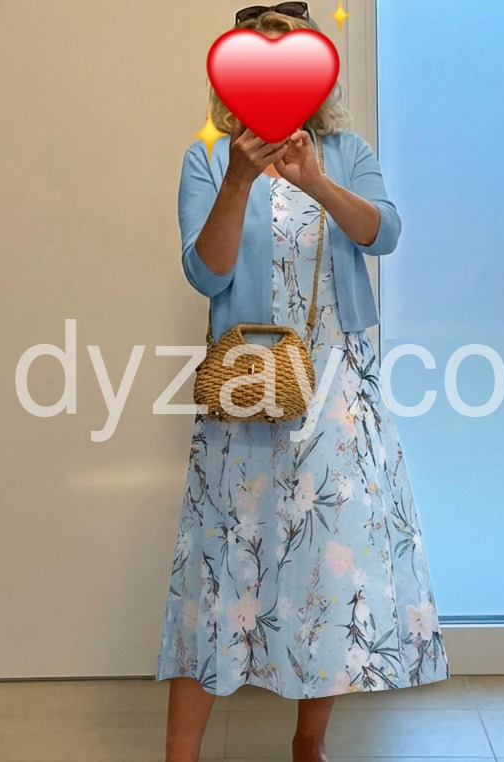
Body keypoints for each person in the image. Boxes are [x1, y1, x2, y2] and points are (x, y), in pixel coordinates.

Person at [155, 5, 450, 761]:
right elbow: (205, 273)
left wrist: (316, 181)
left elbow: (384, 232)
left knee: (328, 568)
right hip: (248, 389)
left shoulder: (345, 151)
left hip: (337, 391)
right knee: (220, 572)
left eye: (290, 48)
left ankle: (307, 746)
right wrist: (238, 180)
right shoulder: (208, 157)